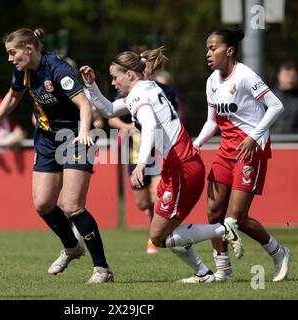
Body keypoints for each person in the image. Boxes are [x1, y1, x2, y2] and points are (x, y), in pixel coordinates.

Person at [80, 48, 244, 283]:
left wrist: (140, 163)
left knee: (158, 236)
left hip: (182, 169)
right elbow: (107, 109)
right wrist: (91, 86)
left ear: (129, 75)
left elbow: (148, 126)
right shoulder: (148, 87)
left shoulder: (138, 95)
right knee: (169, 233)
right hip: (180, 167)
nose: (113, 82)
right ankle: (203, 274)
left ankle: (223, 230)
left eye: (115, 77)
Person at [0, 27, 113, 284]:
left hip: (74, 137)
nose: (9, 59)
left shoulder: (58, 70)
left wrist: (85, 132)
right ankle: (72, 247)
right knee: (43, 204)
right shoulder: (23, 70)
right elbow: (12, 97)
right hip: (47, 139)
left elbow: (84, 104)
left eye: (12, 53)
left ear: (29, 49)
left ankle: (102, 269)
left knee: (72, 206)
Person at [193, 28, 291, 282]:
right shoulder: (212, 80)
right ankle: (224, 271)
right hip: (226, 150)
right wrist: (196, 144)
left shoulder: (246, 76)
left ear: (229, 50)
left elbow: (276, 106)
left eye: (212, 48)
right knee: (214, 214)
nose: (208, 53)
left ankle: (279, 252)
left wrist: (253, 136)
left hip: (251, 150)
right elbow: (212, 122)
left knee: (236, 219)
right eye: (207, 48)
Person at [107, 46, 181, 254]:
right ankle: (161, 230)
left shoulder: (162, 90)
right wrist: (129, 127)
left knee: (159, 194)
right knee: (142, 202)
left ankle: (156, 237)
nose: (145, 71)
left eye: (147, 67)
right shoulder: (126, 92)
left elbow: (168, 118)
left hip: (158, 151)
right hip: (134, 149)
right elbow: (111, 117)